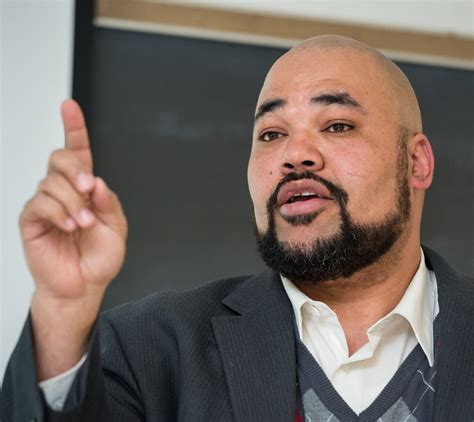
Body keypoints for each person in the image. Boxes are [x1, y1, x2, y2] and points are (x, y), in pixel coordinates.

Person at [1, 35, 472, 422]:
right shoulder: (148, 348)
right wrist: (62, 312)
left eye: (336, 126)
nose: (295, 154)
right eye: (272, 134)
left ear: (416, 162)